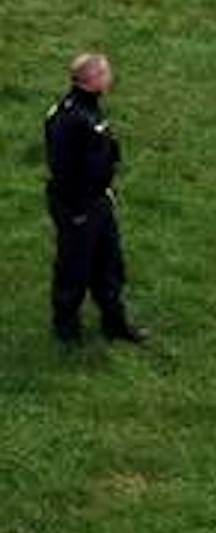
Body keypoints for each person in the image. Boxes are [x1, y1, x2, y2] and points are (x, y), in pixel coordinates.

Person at [44, 53, 147, 346]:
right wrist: (76, 210)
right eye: (106, 74)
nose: (110, 78)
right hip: (79, 206)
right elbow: (65, 169)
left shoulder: (82, 111)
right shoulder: (73, 120)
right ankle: (66, 331)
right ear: (93, 81)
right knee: (73, 269)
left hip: (97, 201)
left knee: (110, 264)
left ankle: (115, 323)